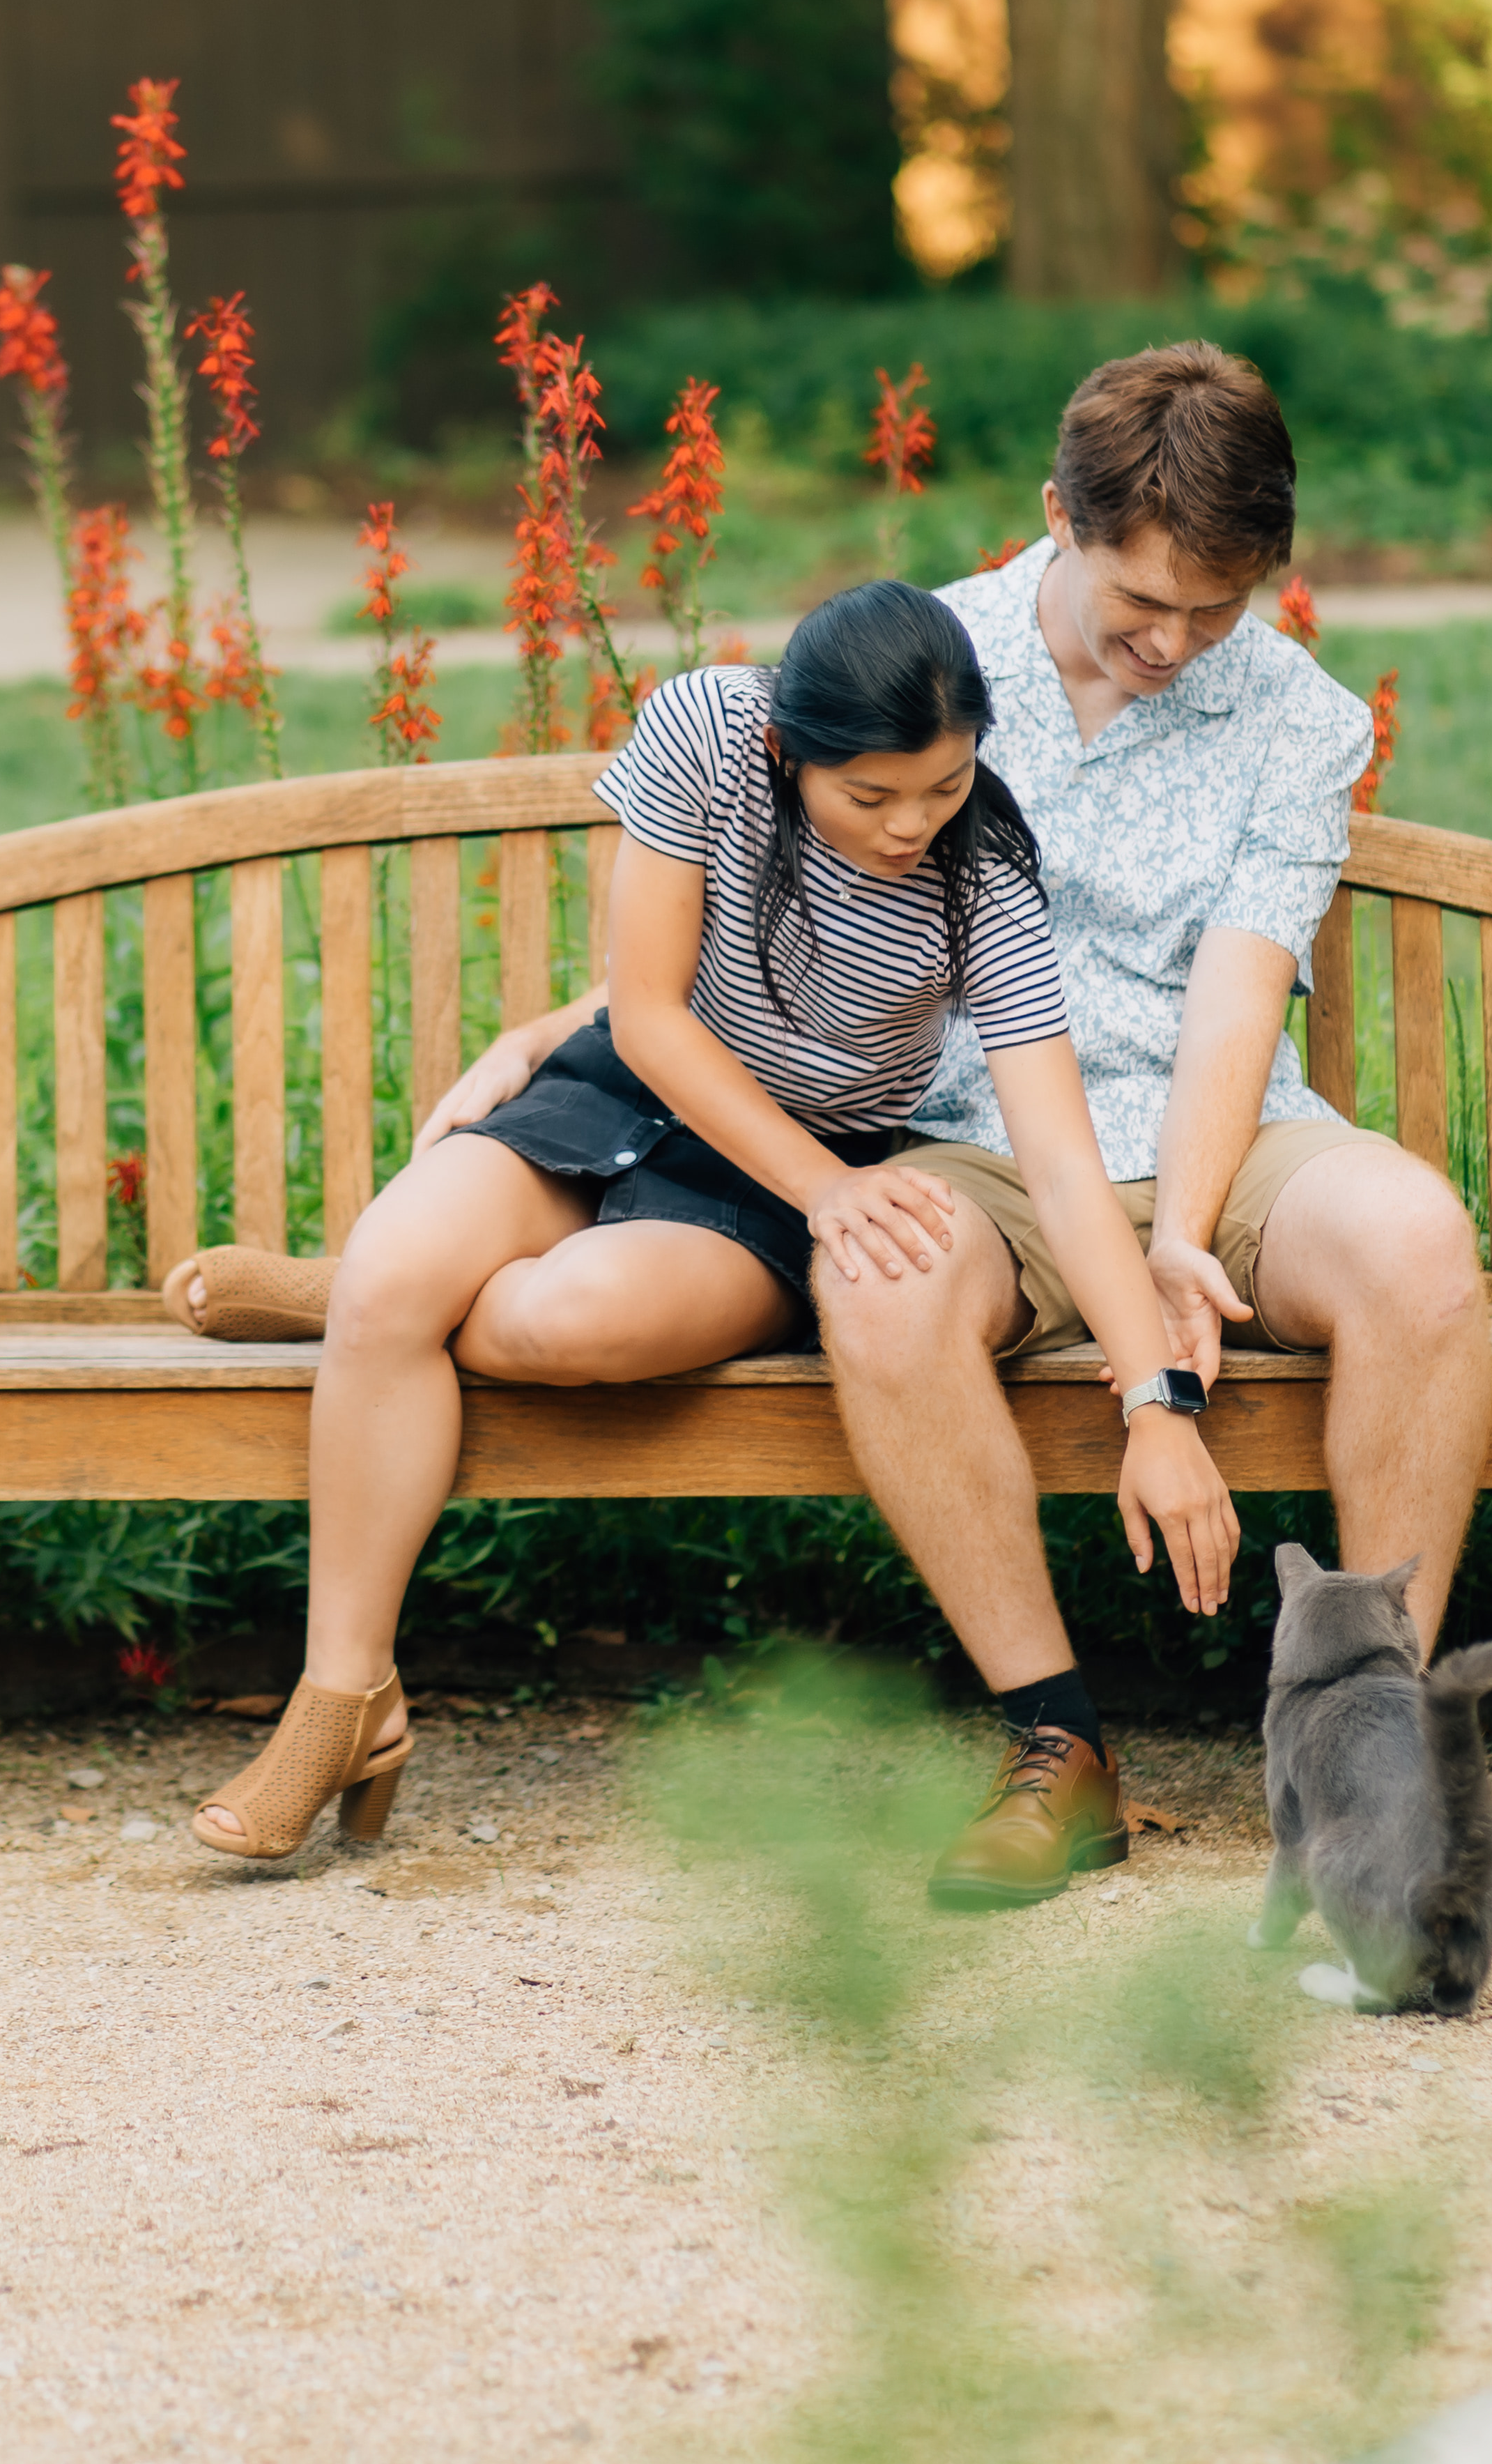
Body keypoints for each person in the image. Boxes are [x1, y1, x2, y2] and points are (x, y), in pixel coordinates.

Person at [178, 581, 1237, 1862]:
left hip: (775, 1182)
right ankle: (343, 1698)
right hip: (633, 1089)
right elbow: (651, 1013)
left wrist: (1156, 1404)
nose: (911, 823)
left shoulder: (985, 881)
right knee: (399, 1274)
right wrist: (826, 1189)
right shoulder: (707, 731)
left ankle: (348, 1302)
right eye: (871, 794)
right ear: (791, 749)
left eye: (943, 786)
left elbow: (1063, 1172)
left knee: (539, 1315)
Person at [830, 340, 1492, 1906]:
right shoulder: (934, 663)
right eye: (1144, 602)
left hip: (1224, 1126)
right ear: (1056, 514)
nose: (1180, 642)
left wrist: (1184, 1239)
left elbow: (1234, 1000)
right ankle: (1056, 1749)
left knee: (1417, 1245)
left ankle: (1368, 1764)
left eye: (1220, 605)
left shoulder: (1294, 716)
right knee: (877, 1279)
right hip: (976, 1131)